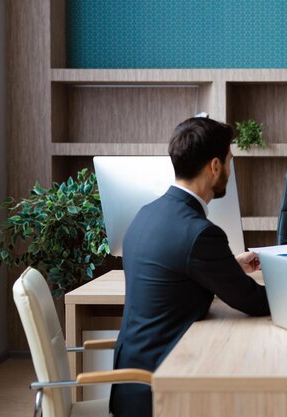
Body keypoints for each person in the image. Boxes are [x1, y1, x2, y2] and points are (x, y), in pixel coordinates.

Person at [109, 117, 270, 417]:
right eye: (230, 160)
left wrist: (227, 266)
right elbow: (253, 301)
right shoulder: (200, 232)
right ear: (215, 167)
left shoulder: (147, 213)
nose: (230, 170)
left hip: (129, 382)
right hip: (162, 387)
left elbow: (175, 273)